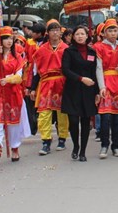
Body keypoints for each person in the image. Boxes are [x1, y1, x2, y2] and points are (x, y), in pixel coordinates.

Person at [0, 27, 31, 166]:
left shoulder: (17, 57)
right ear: (0, 41)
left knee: (13, 123)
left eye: (11, 38)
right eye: (6, 38)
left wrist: (9, 80)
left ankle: (15, 147)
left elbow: (19, 76)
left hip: (13, 93)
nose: (9, 41)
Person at [61, 25, 101, 161]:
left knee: (85, 122)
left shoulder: (91, 52)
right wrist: (81, 79)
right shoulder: (69, 51)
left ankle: (83, 151)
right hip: (72, 90)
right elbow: (65, 70)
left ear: (87, 36)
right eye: (77, 34)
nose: (79, 36)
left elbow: (94, 72)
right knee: (73, 120)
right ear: (73, 36)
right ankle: (75, 146)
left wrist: (97, 92)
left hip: (88, 91)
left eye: (82, 34)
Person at [30, 21, 69, 155]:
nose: (55, 33)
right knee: (44, 114)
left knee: (62, 113)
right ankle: (46, 141)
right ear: (48, 33)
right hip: (45, 83)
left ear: (60, 32)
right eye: (52, 30)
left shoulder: (66, 49)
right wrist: (33, 88)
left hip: (62, 82)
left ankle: (62, 138)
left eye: (57, 30)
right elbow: (35, 71)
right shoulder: (40, 50)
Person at [93, 19, 118, 159]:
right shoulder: (99, 47)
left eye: (115, 30)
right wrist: (101, 87)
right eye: (110, 31)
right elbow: (98, 67)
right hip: (106, 83)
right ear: (104, 33)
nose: (113, 33)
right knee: (105, 116)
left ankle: (116, 146)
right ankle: (104, 145)